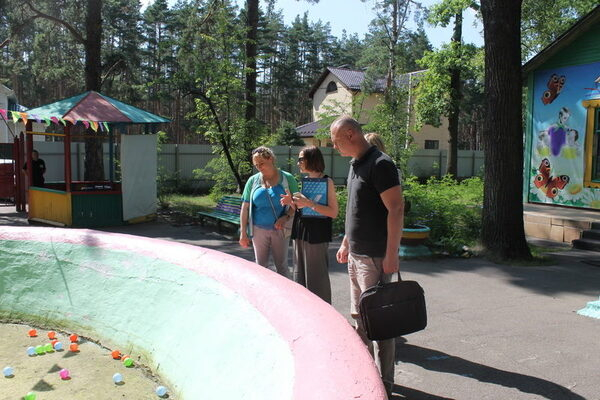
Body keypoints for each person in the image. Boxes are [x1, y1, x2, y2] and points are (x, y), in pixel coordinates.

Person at [330, 116, 404, 398]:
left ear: (350, 134)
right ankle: (366, 379)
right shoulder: (355, 164)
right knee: (360, 320)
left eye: (336, 141)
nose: (334, 147)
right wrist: (346, 242)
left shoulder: (380, 164)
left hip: (375, 257)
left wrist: (391, 255)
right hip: (356, 255)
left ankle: (384, 386)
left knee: (380, 324)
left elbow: (396, 208)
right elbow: (356, 209)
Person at [280, 146, 338, 303]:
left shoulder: (327, 181)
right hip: (300, 231)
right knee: (300, 276)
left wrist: (309, 203)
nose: (298, 163)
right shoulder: (306, 180)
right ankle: (306, 310)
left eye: (301, 159)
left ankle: (323, 312)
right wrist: (291, 203)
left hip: (317, 234)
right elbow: (304, 209)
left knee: (317, 278)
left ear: (311, 159)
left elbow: (333, 212)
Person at [239, 146, 298, 278]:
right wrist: (243, 232)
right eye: (256, 165)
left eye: (261, 163)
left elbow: (297, 203)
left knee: (281, 266)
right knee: (260, 267)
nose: (259, 167)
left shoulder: (287, 178)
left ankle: (285, 291)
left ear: (270, 159)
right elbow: (245, 207)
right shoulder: (253, 181)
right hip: (258, 230)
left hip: (281, 229)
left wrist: (286, 216)